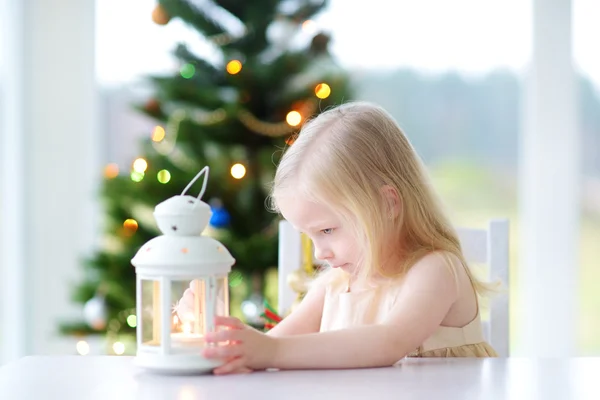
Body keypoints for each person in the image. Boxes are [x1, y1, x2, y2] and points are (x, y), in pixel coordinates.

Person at [201, 101, 499, 375]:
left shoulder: (436, 269)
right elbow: (268, 347)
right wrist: (219, 333)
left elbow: (389, 342)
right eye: (308, 236)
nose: (320, 254)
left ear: (388, 204)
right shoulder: (335, 285)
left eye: (327, 230)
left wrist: (272, 351)